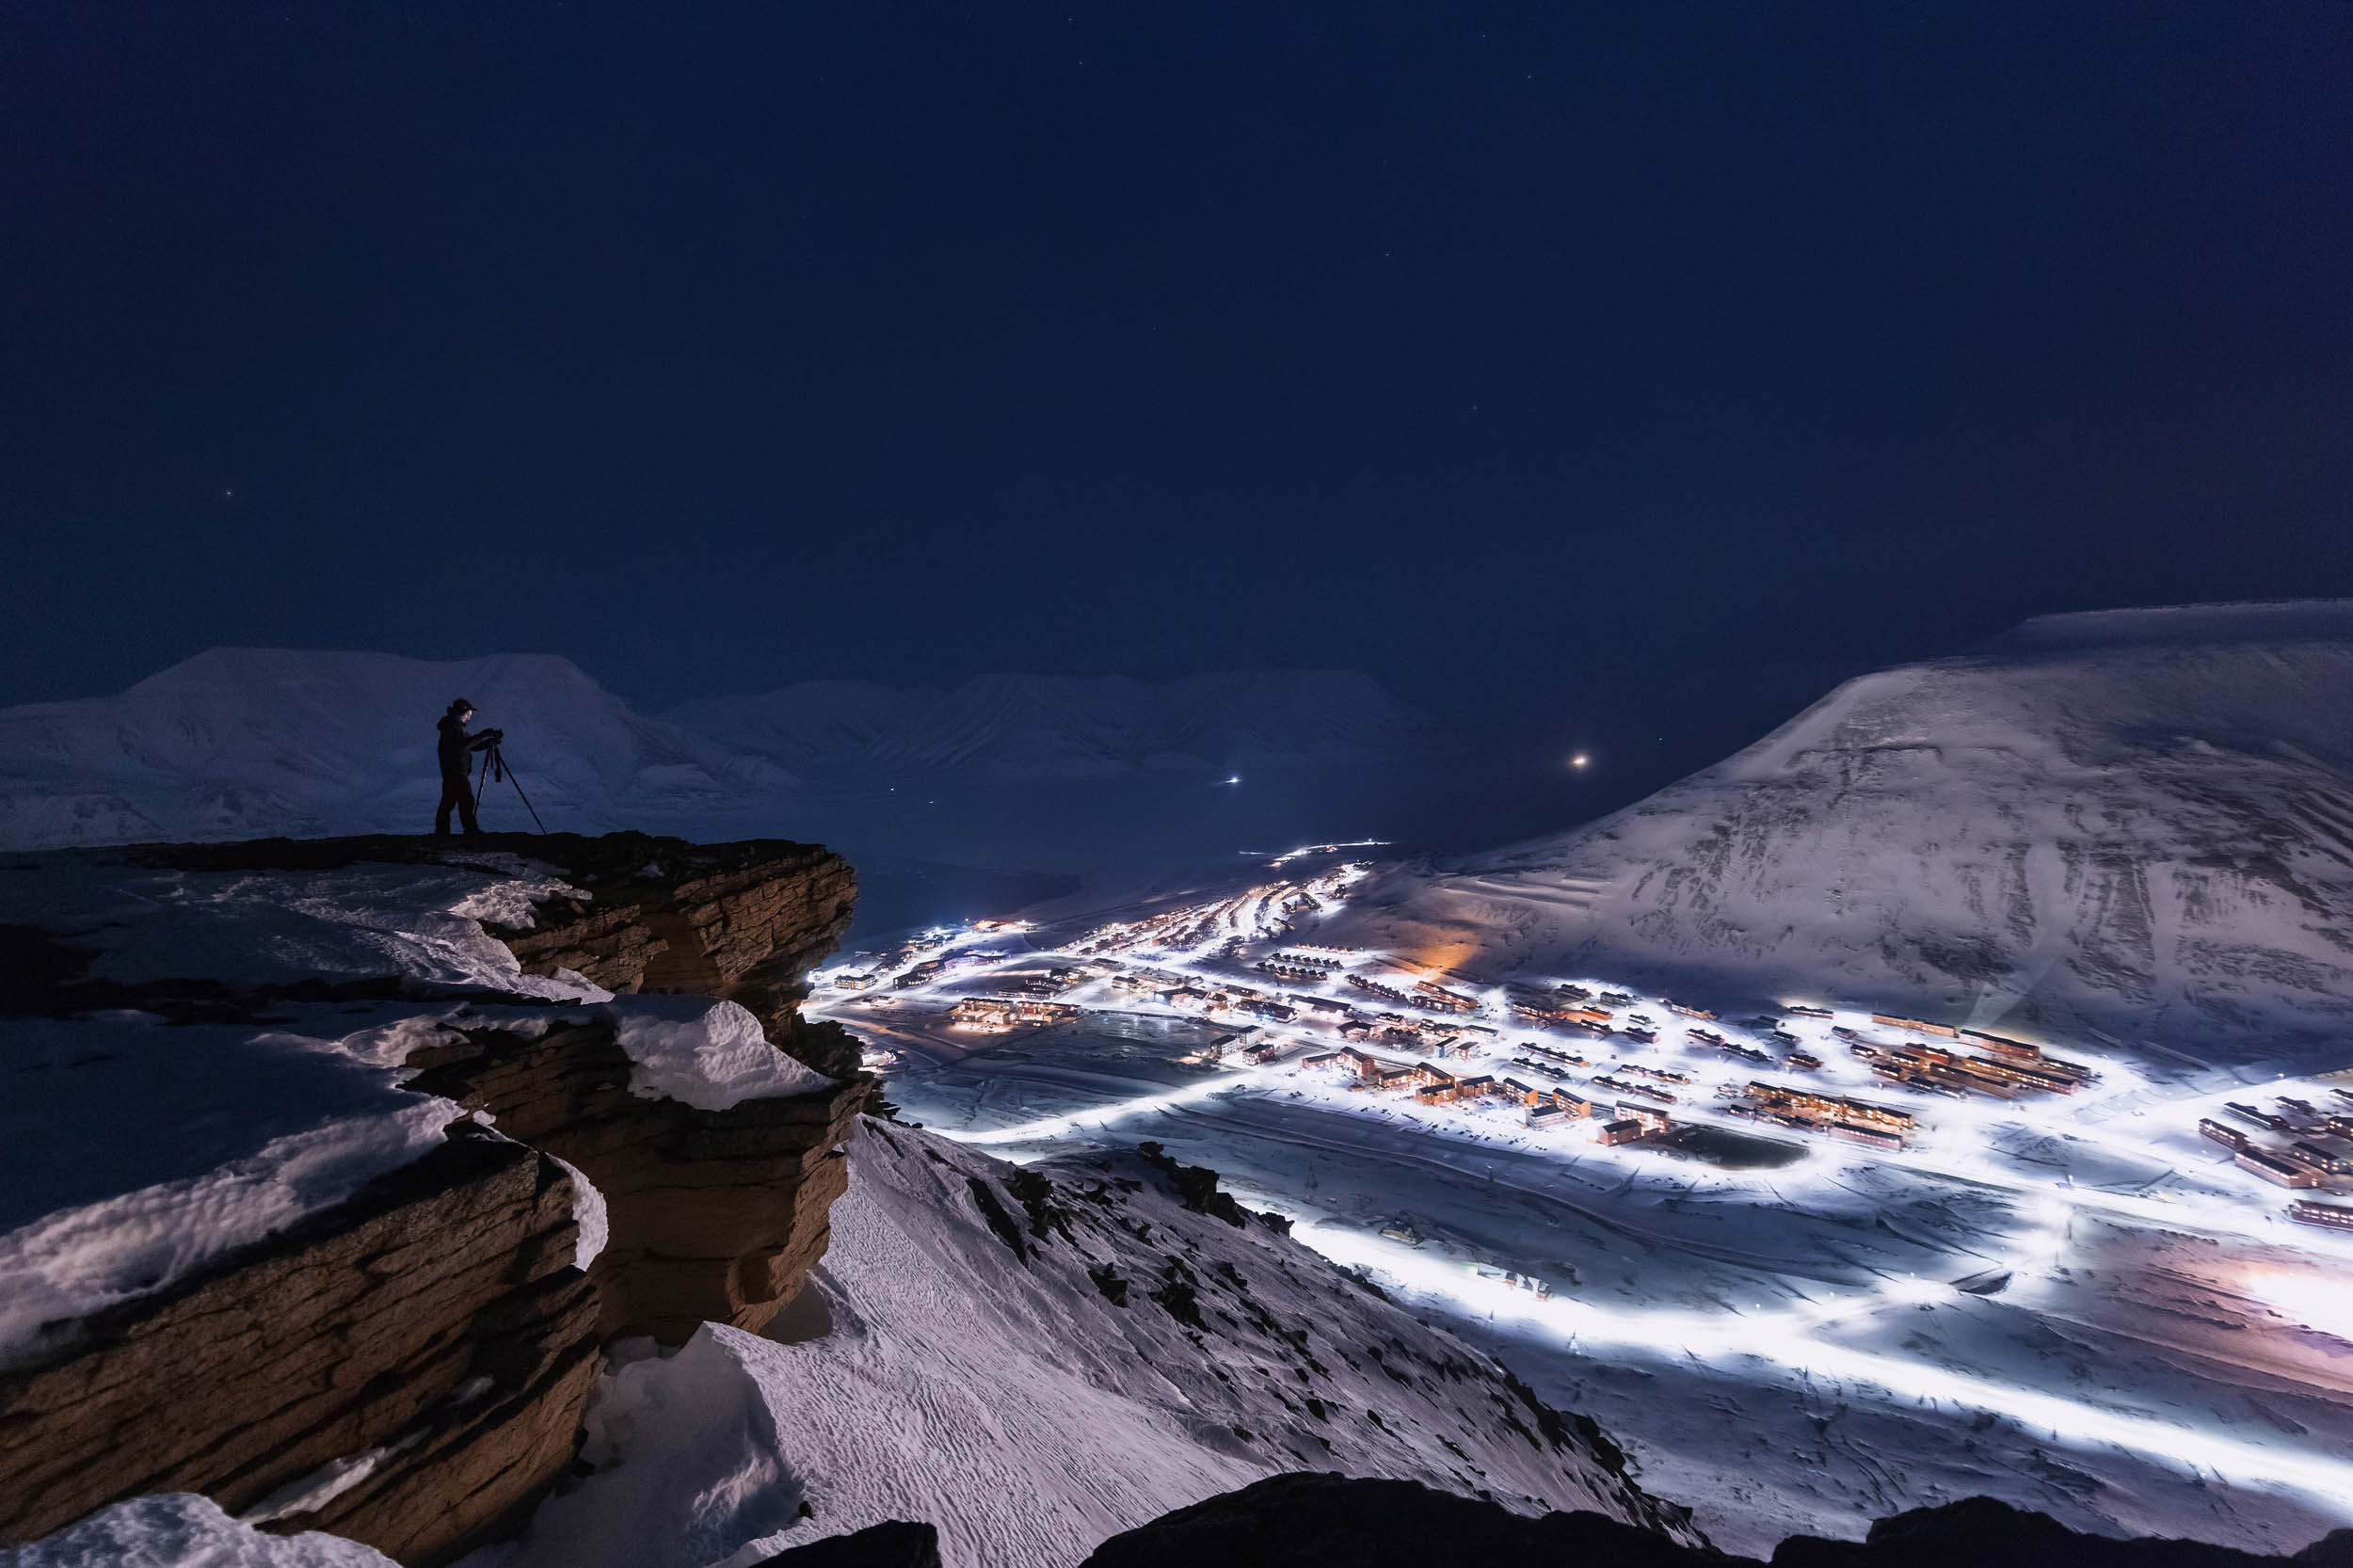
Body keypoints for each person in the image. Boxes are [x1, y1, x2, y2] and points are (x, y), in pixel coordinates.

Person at [434, 698, 502, 835]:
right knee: (466, 800)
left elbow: (469, 746)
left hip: (451, 772)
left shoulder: (453, 728)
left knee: (449, 802)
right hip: (455, 772)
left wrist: (488, 742)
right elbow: (463, 746)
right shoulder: (452, 728)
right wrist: (483, 736)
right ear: (461, 712)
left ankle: (442, 833)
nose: (469, 717)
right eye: (468, 714)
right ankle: (470, 830)